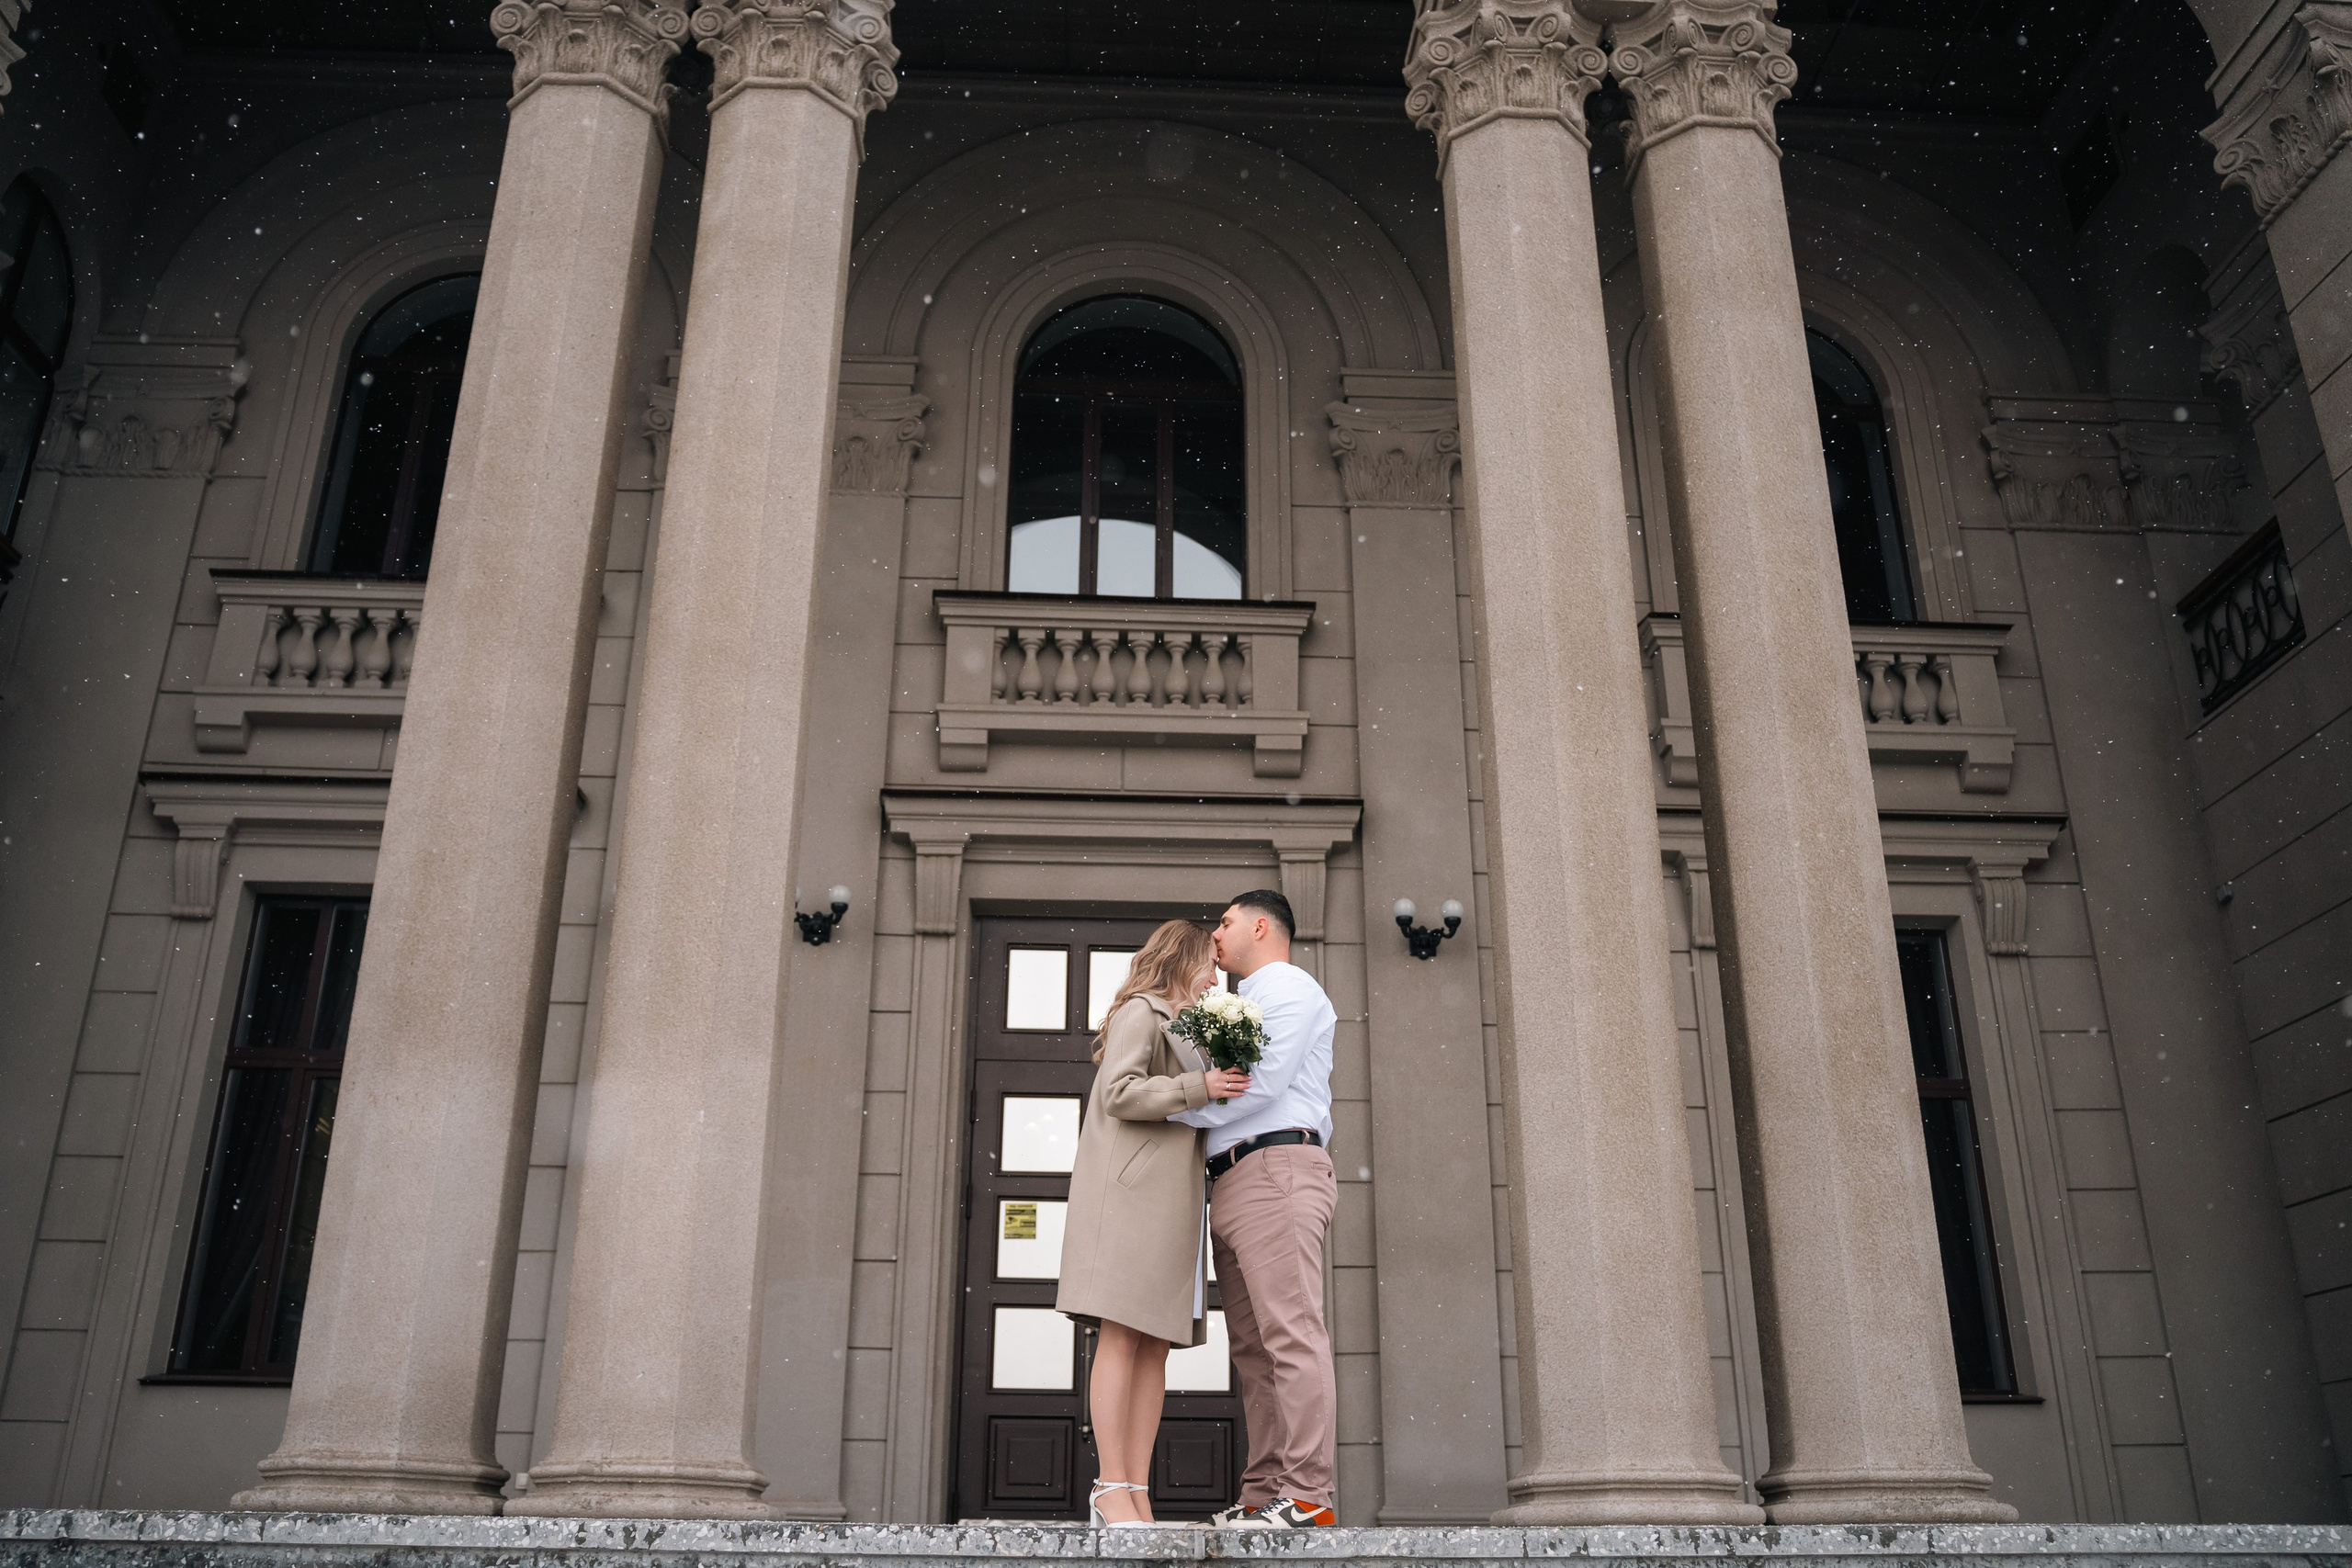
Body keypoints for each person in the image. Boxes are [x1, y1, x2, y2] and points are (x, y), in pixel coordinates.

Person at [1056, 919, 1254, 1527]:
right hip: (1128, 1200)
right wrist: (1201, 1085)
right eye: (1209, 966)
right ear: (1184, 958)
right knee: (1120, 1336)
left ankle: (1134, 1489)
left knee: (1152, 1346)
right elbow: (1119, 1091)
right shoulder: (1140, 1011)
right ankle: (1109, 1486)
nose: (1216, 978)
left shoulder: (1185, 1022)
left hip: (1167, 1204)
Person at [1172, 890, 1340, 1529]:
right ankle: (1264, 1494)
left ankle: (1307, 1496)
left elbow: (1260, 1082)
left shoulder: (1289, 988)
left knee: (1290, 1336)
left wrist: (1169, 1104)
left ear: (1262, 925)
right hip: (1237, 1178)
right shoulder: (1251, 999)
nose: (1215, 933)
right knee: (1255, 1351)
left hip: (1275, 1168)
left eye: (1226, 921)